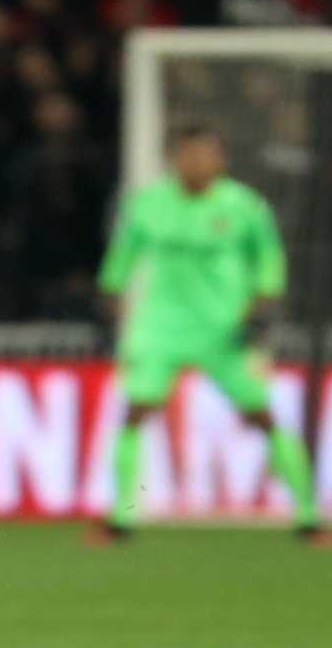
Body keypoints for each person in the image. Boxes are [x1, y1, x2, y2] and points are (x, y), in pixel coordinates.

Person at [96, 123, 323, 542]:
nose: (196, 163)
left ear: (220, 160)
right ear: (173, 159)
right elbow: (121, 259)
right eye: (188, 154)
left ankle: (308, 517)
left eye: (204, 154)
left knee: (262, 415)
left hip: (225, 328)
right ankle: (119, 518)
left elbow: (269, 259)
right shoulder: (146, 204)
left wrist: (261, 309)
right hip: (158, 325)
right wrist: (110, 304)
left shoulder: (245, 206)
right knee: (136, 411)